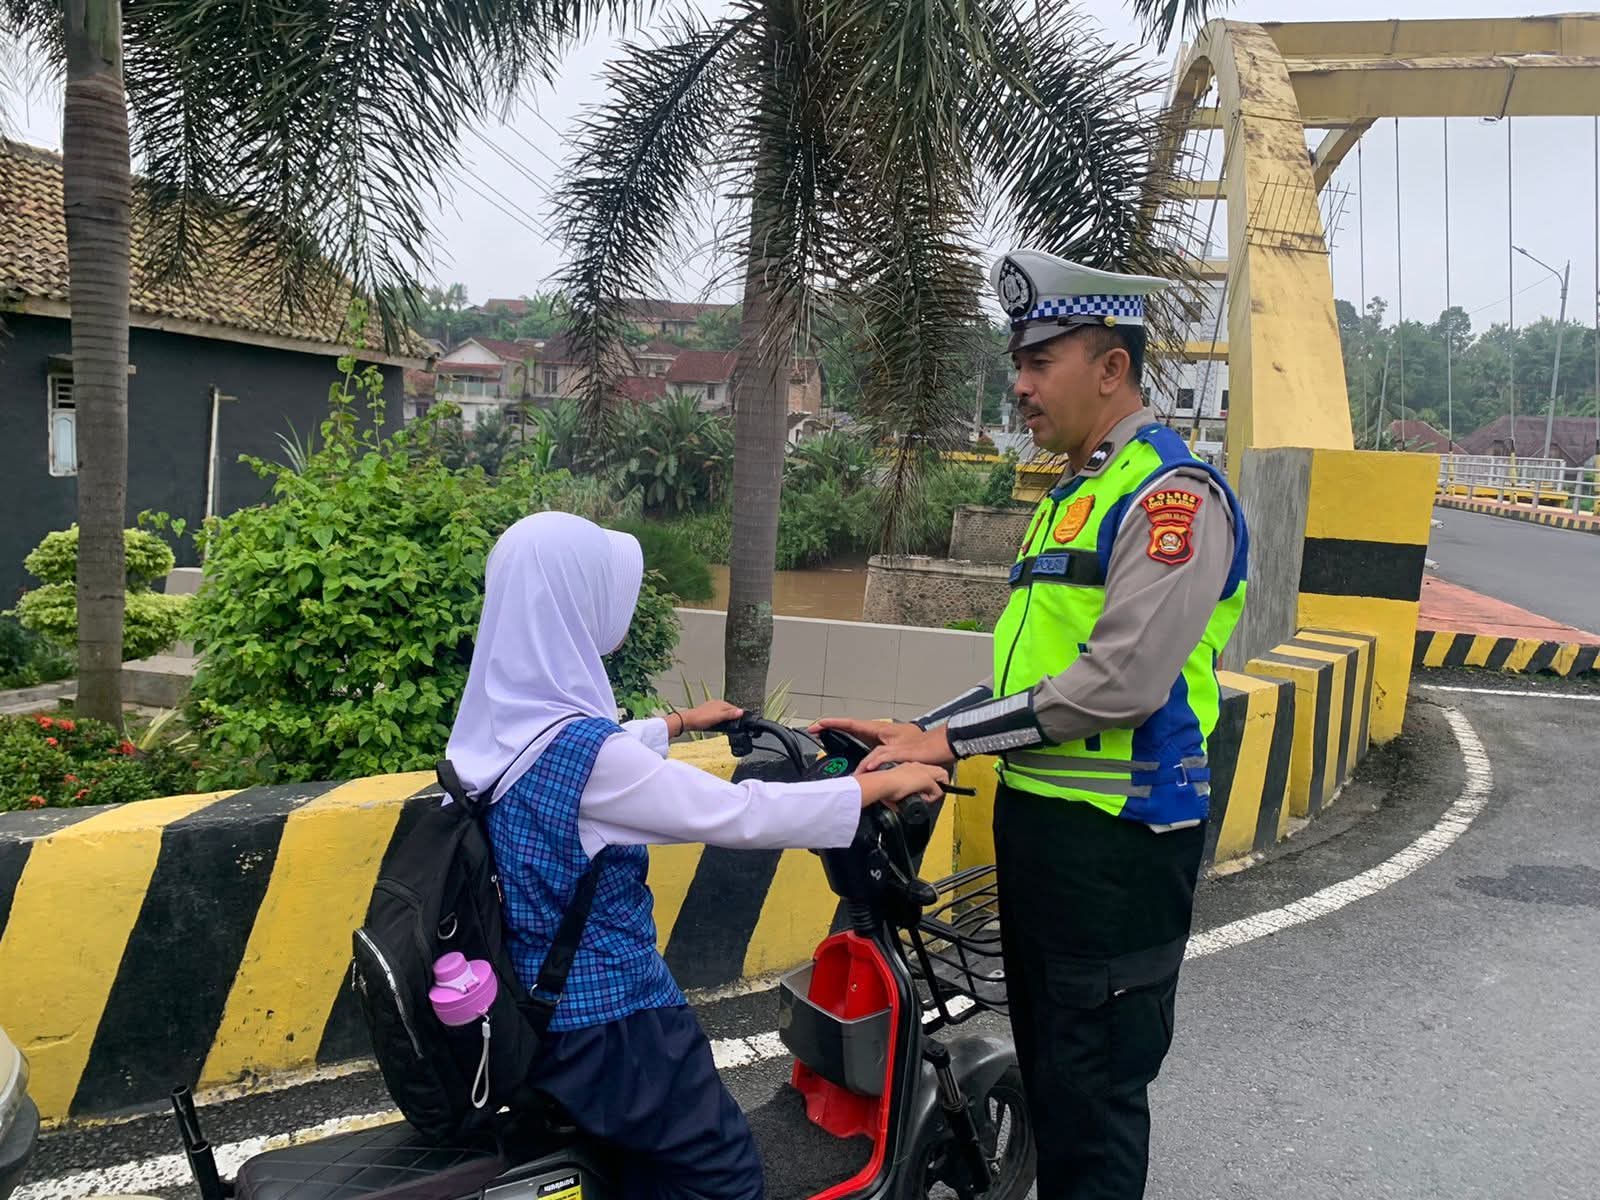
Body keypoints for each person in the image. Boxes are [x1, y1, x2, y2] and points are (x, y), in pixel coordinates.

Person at [815, 250, 1248, 1199]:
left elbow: (1121, 682)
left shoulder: (1171, 497)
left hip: (1120, 848)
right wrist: (920, 726)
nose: (1019, 384)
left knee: (1092, 1104)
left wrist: (954, 741)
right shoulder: (1070, 497)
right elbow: (1037, 679)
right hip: (1048, 834)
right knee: (1054, 1082)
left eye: (1040, 360)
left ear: (1111, 368)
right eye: (1018, 361)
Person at [446, 511, 946, 1200]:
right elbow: (735, 815)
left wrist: (677, 724)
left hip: (537, 1007)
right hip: (616, 1022)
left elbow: (586, 767)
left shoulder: (497, 724)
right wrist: (874, 786)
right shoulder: (593, 759)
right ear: (572, 602)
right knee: (725, 1176)